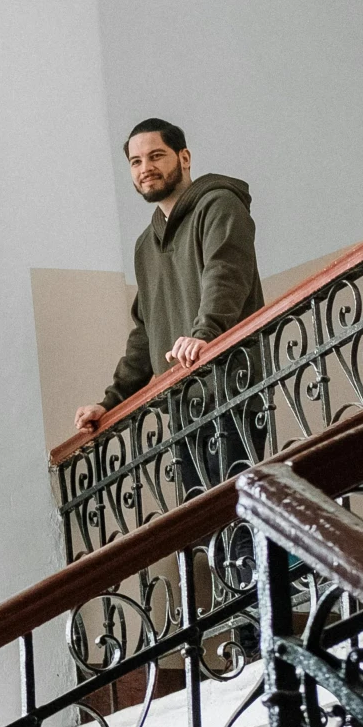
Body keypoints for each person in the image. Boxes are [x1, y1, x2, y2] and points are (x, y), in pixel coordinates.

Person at [74, 120, 264, 474]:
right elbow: (145, 330)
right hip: (180, 408)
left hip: (231, 391)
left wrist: (204, 336)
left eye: (156, 156)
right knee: (202, 528)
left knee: (239, 523)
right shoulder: (146, 245)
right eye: (136, 161)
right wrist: (110, 403)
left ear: (184, 157)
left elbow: (225, 276)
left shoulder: (220, 205)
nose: (145, 168)